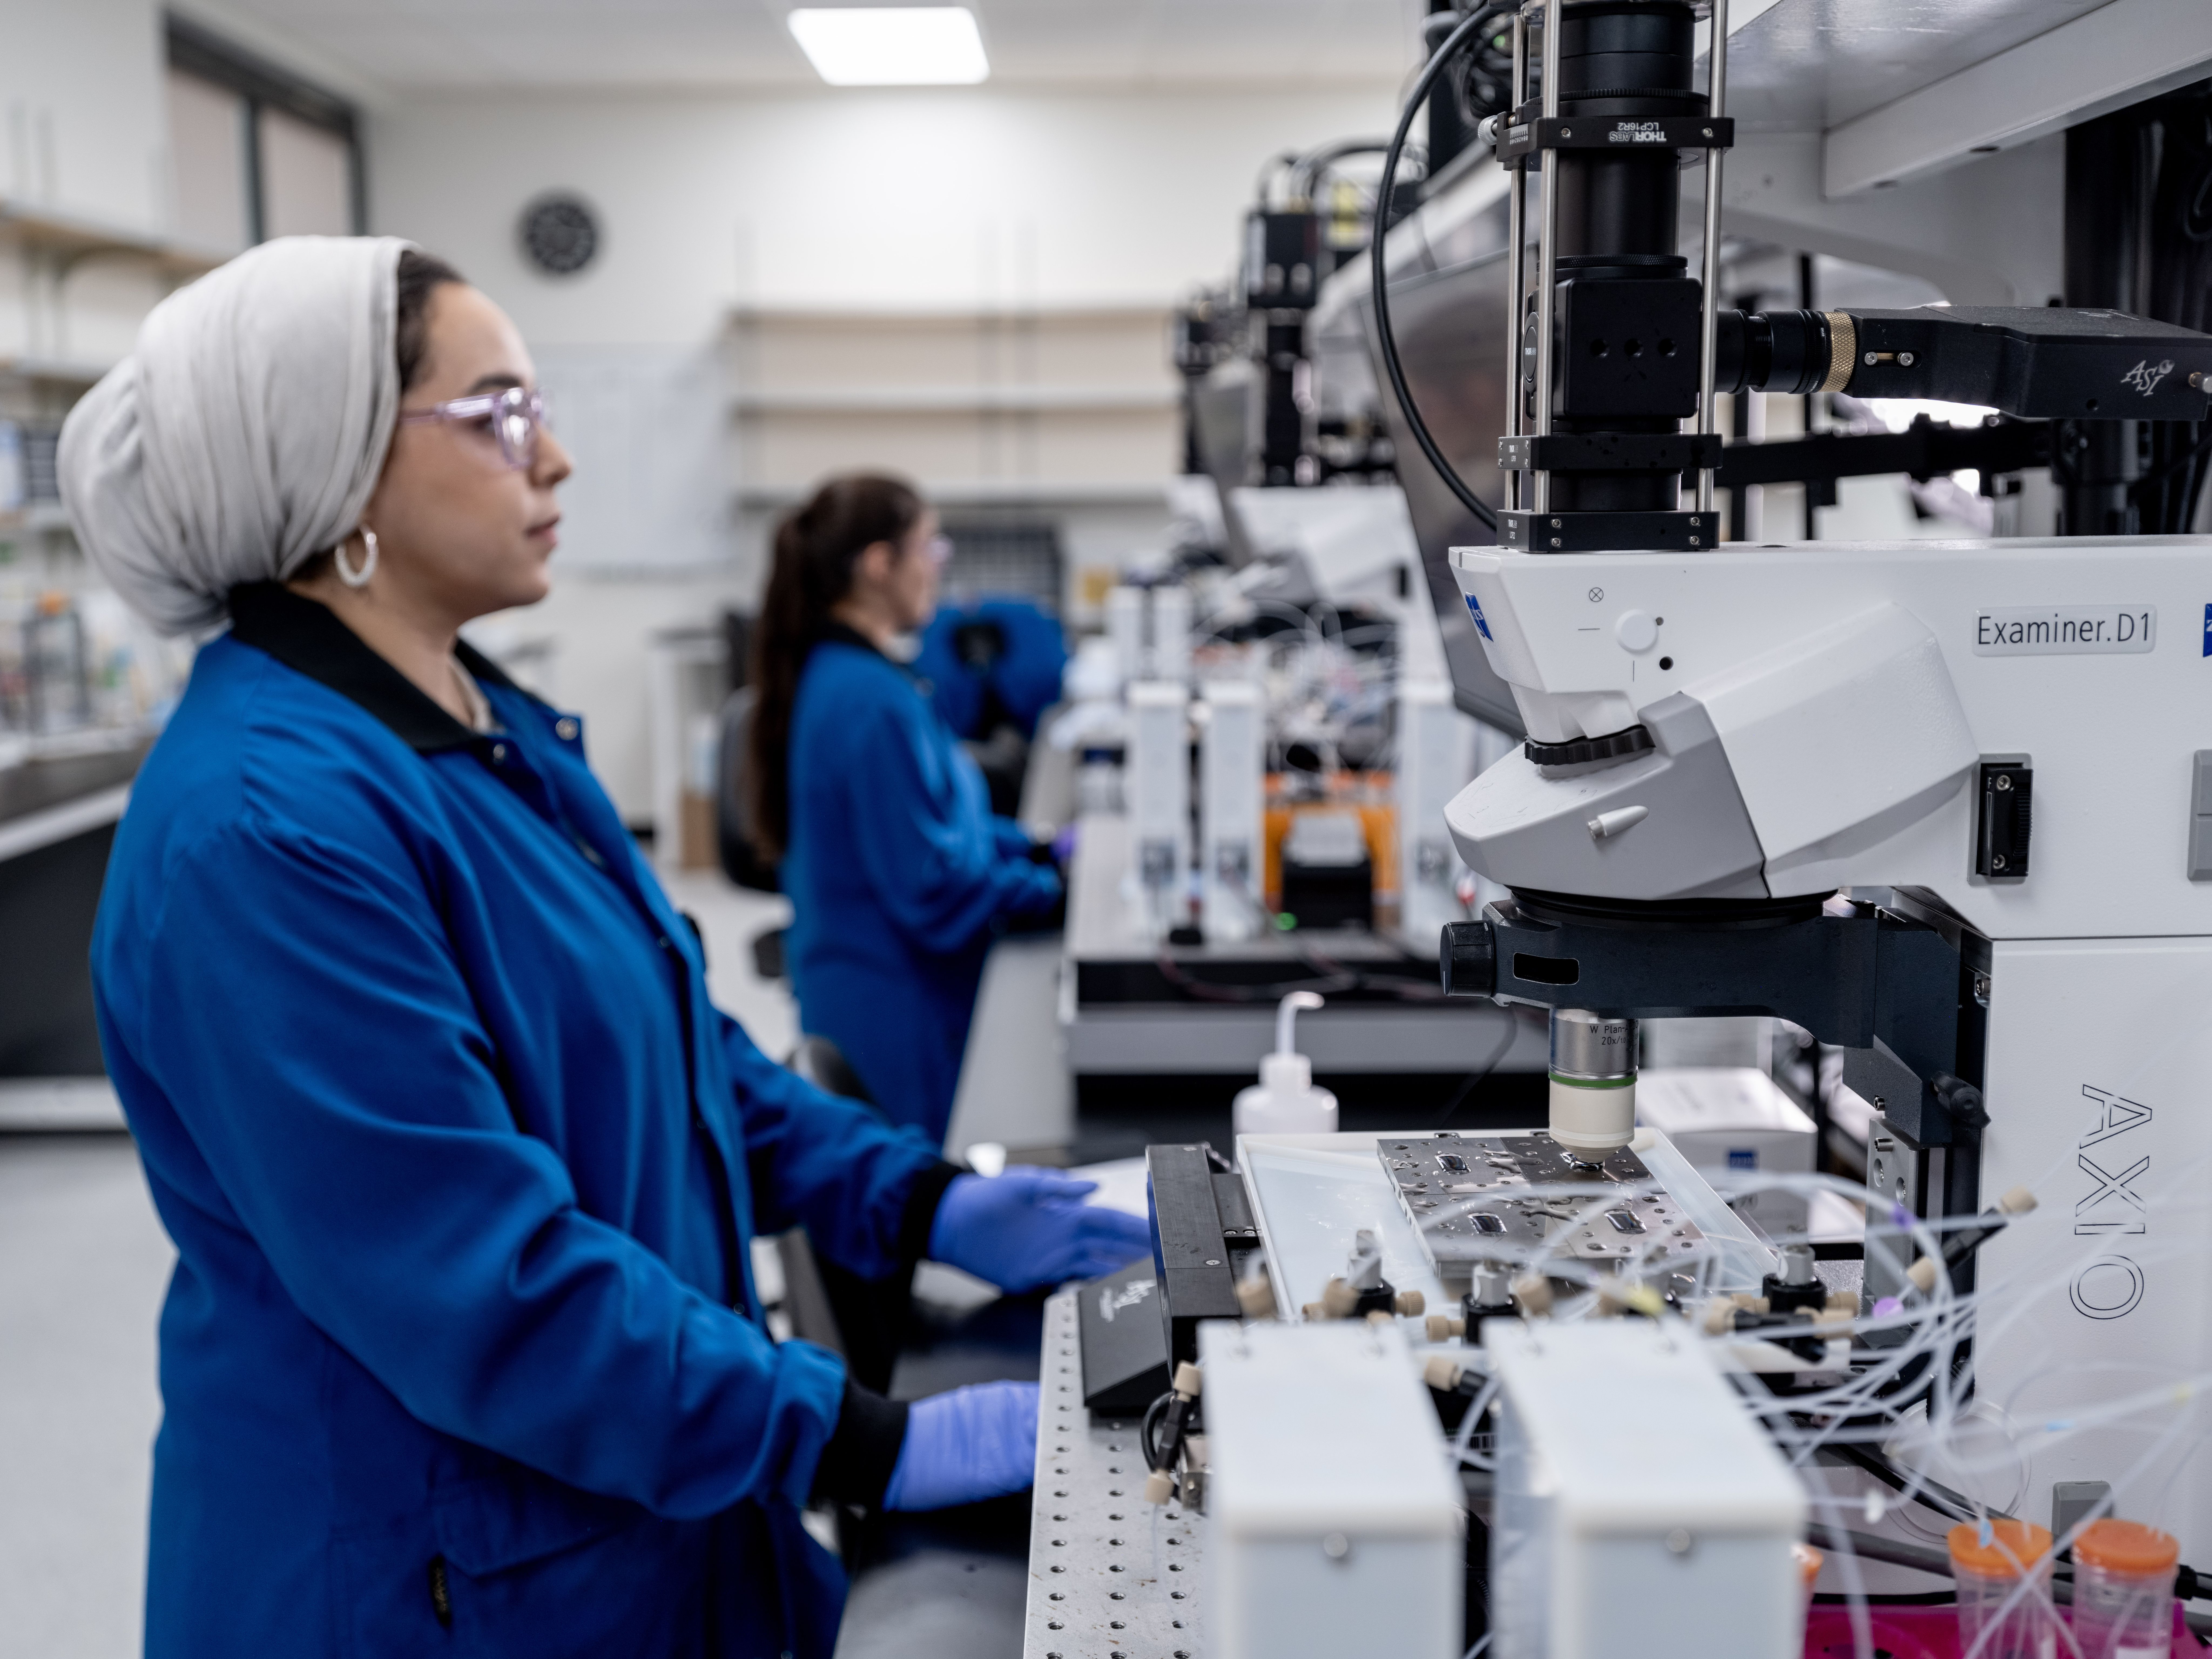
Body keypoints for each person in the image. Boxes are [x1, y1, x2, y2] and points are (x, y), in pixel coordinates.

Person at [59, 237, 1149, 1659]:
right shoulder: (265, 832)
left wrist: (927, 1198)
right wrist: (859, 1439)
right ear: (331, 465)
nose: (557, 458)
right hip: (426, 1585)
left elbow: (683, 1063)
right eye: (502, 414)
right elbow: (481, 1284)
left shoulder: (481, 727)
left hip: (621, 1513)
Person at [748, 476, 1064, 1141]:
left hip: (862, 988)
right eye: (929, 548)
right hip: (898, 1015)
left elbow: (944, 825)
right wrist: (1052, 891)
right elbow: (936, 887)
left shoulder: (847, 675)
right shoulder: (870, 701)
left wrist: (1032, 849)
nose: (937, 569)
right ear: (878, 565)